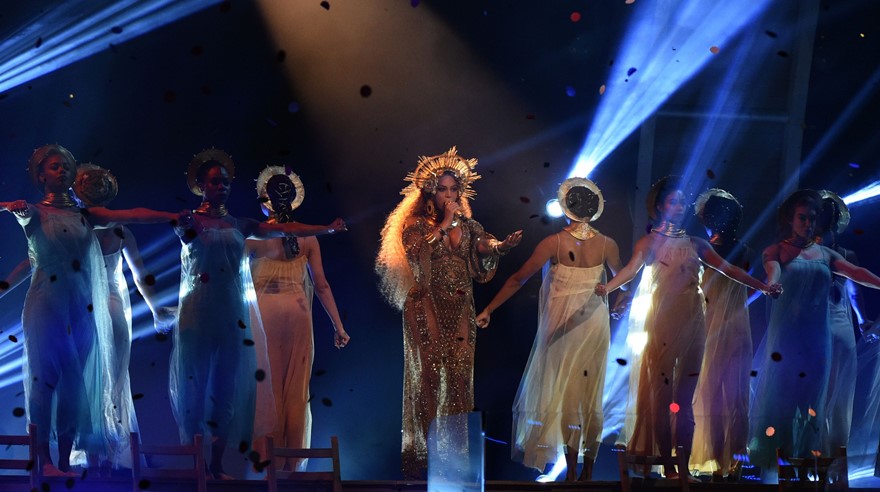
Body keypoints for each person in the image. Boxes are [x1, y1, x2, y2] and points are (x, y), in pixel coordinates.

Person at [0, 144, 178, 476]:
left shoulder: (87, 217)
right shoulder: (34, 213)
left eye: (65, 166)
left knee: (73, 383)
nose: (62, 170)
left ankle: (65, 462)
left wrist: (173, 216)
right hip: (45, 305)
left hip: (82, 307)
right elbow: (30, 258)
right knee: (44, 382)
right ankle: (44, 461)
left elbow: (132, 215)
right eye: (54, 167)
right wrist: (15, 210)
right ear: (41, 175)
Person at [168, 149, 346, 480]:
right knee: (207, 387)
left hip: (247, 316)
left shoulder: (243, 227)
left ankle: (224, 466)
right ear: (202, 186)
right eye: (214, 181)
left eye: (224, 181)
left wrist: (325, 229)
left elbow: (298, 250)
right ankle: (202, 465)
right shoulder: (204, 223)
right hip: (217, 313)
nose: (221, 186)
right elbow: (191, 251)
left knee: (234, 391)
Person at [594, 176, 778, 479]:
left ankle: (681, 465)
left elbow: (729, 269)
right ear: (660, 206)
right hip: (663, 324)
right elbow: (630, 270)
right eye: (673, 201)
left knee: (685, 399)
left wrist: (765, 287)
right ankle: (667, 464)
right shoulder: (650, 242)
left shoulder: (697, 244)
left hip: (694, 323)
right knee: (662, 397)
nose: (679, 206)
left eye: (682, 201)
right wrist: (607, 288)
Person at [375, 147, 522, 479]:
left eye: (454, 189)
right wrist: (444, 223)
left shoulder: (469, 225)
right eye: (443, 189)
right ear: (430, 190)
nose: (450, 195)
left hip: (460, 305)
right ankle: (424, 459)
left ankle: (454, 462)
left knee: (459, 378)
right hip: (425, 304)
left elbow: (482, 247)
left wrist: (499, 247)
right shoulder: (415, 225)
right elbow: (417, 256)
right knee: (428, 376)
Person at [475, 177, 624, 481]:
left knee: (566, 389)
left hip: (563, 327)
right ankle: (587, 470)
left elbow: (519, 279)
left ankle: (572, 472)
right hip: (593, 324)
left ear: (567, 208)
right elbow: (625, 281)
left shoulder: (553, 242)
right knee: (589, 392)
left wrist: (489, 308)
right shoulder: (608, 244)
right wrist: (618, 304)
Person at [749, 189, 880, 478]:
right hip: (788, 340)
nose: (807, 223)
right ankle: (782, 463)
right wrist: (772, 285)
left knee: (813, 401)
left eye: (811, 218)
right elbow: (773, 273)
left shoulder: (826, 254)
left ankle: (808, 461)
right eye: (802, 218)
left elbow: (856, 273)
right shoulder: (777, 251)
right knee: (784, 397)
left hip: (817, 340)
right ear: (790, 219)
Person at [247, 166, 350, 472]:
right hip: (297, 316)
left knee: (266, 387)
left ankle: (266, 463)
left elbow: (233, 279)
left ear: (265, 201)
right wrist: (338, 326)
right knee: (295, 390)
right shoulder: (307, 239)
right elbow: (322, 285)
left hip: (265, 318)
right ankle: (289, 466)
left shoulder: (255, 235)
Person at [688, 189, 755, 479]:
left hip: (724, 323)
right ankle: (722, 462)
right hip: (718, 322)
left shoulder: (725, 250)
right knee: (723, 392)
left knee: (722, 392)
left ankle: (726, 460)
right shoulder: (703, 249)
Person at [815, 190, 868, 456]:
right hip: (820, 326)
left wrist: (861, 321)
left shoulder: (845, 254)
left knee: (835, 389)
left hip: (836, 325)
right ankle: (823, 454)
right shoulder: (810, 253)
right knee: (826, 389)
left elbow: (854, 291)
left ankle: (832, 455)